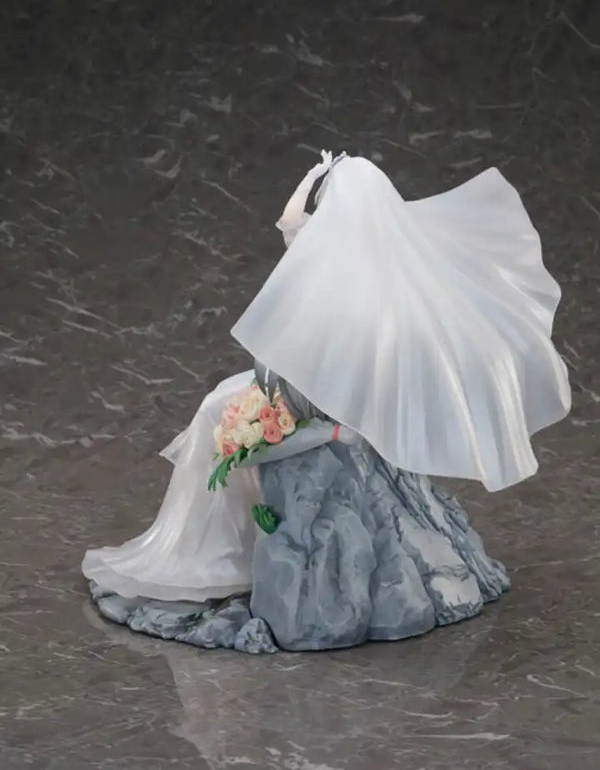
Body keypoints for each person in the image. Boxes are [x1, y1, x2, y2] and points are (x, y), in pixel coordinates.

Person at [83, 151, 571, 608]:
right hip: (293, 384)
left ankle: (218, 549)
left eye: (333, 199)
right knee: (215, 404)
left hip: (319, 402)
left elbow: (365, 364)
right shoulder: (334, 254)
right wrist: (314, 177)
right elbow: (291, 224)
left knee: (218, 419)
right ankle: (208, 543)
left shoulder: (379, 279)